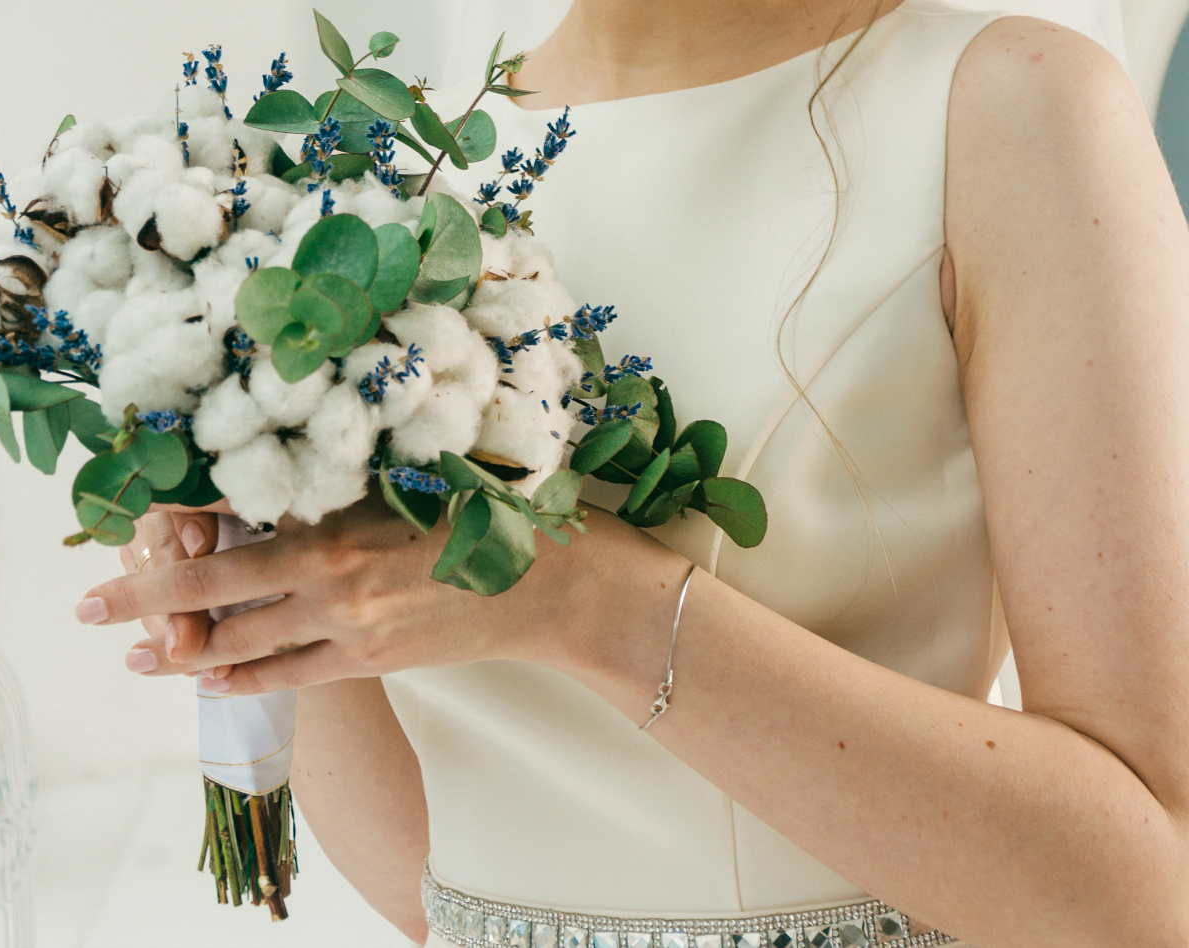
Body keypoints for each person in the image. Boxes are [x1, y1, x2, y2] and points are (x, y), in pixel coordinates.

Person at [73, 0, 1189, 945]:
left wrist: (579, 601)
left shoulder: (1008, 108)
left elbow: (1146, 891)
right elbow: (442, 878)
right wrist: (265, 556)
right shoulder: (411, 170)